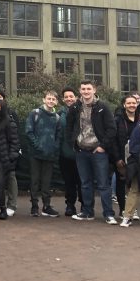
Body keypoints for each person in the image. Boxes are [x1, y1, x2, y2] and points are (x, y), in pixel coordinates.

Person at [65, 81, 118, 224]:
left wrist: (102, 146)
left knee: (103, 184)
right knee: (85, 184)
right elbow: (69, 127)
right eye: (83, 89)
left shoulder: (102, 107)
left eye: (89, 89)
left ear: (94, 90)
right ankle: (88, 212)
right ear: (80, 90)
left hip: (98, 152)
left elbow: (111, 129)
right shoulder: (75, 107)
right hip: (81, 151)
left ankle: (108, 214)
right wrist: (73, 143)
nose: (86, 91)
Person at [26, 90, 62, 217]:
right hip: (35, 155)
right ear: (44, 99)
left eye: (53, 99)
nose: (51, 101)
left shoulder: (57, 118)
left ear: (56, 102)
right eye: (49, 98)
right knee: (34, 181)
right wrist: (37, 146)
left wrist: (54, 147)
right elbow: (29, 132)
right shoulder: (35, 113)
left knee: (46, 182)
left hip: (49, 155)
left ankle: (46, 206)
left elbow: (59, 135)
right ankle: (34, 206)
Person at [112, 93, 140, 219]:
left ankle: (132, 209)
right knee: (121, 183)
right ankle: (123, 209)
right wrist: (117, 158)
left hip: (136, 157)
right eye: (129, 103)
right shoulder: (117, 120)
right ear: (124, 105)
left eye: (134, 103)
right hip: (121, 156)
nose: (131, 105)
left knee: (134, 184)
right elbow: (113, 140)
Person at [57, 87, 82, 217]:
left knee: (83, 181)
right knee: (69, 182)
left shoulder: (83, 111)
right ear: (63, 99)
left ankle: (85, 206)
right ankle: (70, 206)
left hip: (81, 153)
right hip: (65, 154)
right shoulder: (59, 114)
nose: (69, 98)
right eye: (66, 97)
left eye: (71, 96)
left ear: (76, 97)